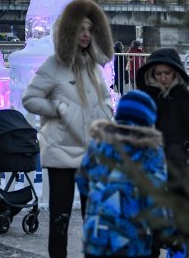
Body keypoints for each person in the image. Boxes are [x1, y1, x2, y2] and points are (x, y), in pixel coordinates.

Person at [21, 0, 114, 258]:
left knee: (93, 218)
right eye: (79, 29)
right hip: (62, 152)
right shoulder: (53, 65)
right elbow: (30, 99)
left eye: (89, 29)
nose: (85, 35)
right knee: (60, 218)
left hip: (91, 153)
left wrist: (107, 113)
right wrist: (59, 109)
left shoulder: (93, 66)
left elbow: (106, 98)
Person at [76, 90, 179, 258]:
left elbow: (82, 181)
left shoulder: (98, 145)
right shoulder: (151, 152)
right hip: (131, 241)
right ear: (149, 120)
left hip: (96, 237)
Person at [136, 48, 189, 257]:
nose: (163, 78)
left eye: (167, 73)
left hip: (181, 172)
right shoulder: (145, 99)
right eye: (158, 73)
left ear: (176, 72)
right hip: (151, 173)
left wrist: (184, 98)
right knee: (150, 234)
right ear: (151, 74)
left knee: (181, 233)